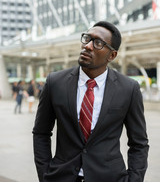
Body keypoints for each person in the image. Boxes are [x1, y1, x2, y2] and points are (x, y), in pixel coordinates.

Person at [33, 21, 149, 182]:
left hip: (110, 177)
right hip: (61, 176)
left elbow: (139, 143)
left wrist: (134, 179)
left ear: (112, 55)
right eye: (87, 38)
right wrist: (45, 175)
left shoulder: (129, 89)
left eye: (98, 43)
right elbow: (41, 133)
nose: (87, 46)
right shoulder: (55, 83)